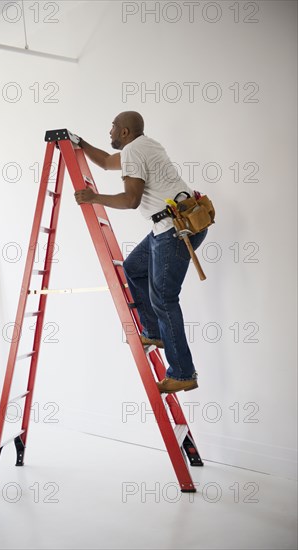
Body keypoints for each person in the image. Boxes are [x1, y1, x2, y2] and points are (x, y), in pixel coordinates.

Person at [74, 111, 207, 393]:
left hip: (173, 229)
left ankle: (183, 372)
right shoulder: (146, 145)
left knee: (164, 300)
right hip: (180, 223)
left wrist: (94, 197)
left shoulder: (134, 151)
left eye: (112, 127)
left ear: (124, 132)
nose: (109, 132)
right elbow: (108, 162)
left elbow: (132, 200)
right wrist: (81, 143)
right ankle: (155, 332)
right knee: (133, 268)